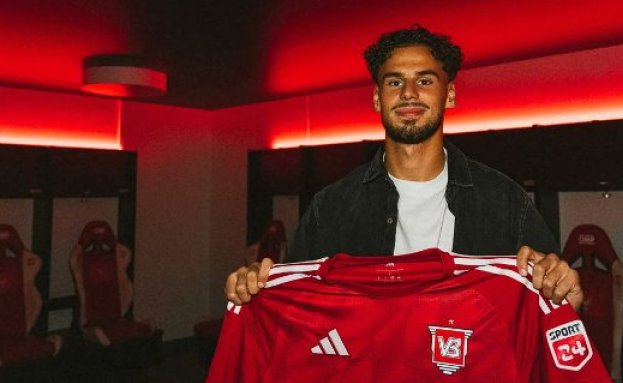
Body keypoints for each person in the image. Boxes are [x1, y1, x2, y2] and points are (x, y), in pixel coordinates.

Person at [226, 25, 582, 309]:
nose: (409, 92)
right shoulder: (331, 207)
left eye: (424, 80)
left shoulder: (505, 202)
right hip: (366, 380)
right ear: (377, 98)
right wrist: (255, 288)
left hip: (471, 381)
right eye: (395, 81)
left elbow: (554, 308)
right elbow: (295, 307)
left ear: (450, 95)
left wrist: (564, 289)